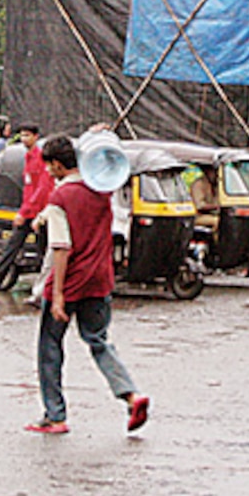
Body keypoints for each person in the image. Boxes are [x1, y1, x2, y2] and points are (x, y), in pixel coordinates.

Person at [26, 136, 149, 434]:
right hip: (100, 279)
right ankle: (131, 395)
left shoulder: (60, 200)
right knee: (98, 340)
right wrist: (43, 217)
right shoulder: (100, 191)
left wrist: (56, 296)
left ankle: (55, 416)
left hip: (68, 281)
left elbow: (61, 247)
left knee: (50, 348)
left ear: (56, 164)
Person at [0, 123, 54, 301]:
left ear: (36, 136)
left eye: (27, 135)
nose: (24, 139)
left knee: (46, 256)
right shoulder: (27, 157)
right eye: (21, 135)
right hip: (28, 212)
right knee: (10, 250)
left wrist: (28, 212)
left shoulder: (41, 158)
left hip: (41, 213)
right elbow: (29, 189)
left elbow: (43, 189)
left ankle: (45, 293)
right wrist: (24, 211)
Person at [190, 166, 220, 231]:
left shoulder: (217, 185)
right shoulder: (198, 184)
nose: (217, 174)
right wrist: (214, 207)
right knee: (217, 221)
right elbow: (199, 205)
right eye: (214, 172)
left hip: (214, 214)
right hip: (199, 216)